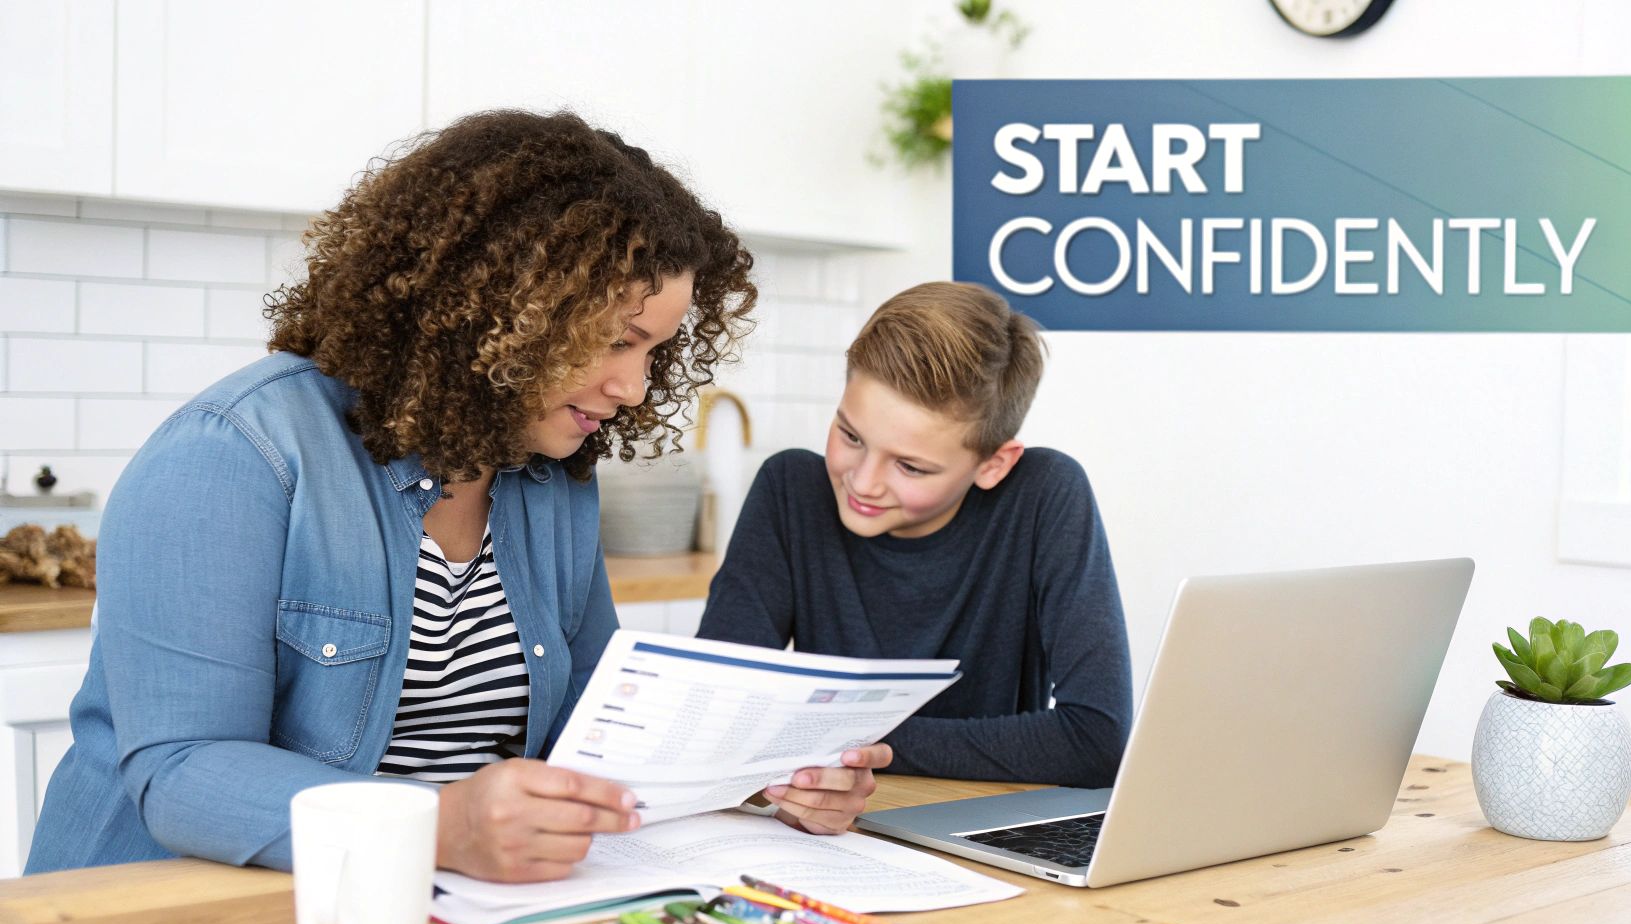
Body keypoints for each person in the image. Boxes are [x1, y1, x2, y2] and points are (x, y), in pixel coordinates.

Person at [26, 110, 886, 883]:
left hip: (435, 908)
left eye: (655, 352)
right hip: (168, 922)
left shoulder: (550, 475)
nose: (633, 386)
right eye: (619, 341)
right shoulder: (237, 453)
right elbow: (182, 769)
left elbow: (594, 722)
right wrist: (437, 826)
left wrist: (758, 776)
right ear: (502, 309)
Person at [698, 282, 1133, 797]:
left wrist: (847, 747)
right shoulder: (791, 490)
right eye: (851, 436)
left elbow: (1096, 741)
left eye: (910, 465)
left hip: (983, 820)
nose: (863, 482)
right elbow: (715, 718)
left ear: (993, 464)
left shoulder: (1043, 494)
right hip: (830, 823)